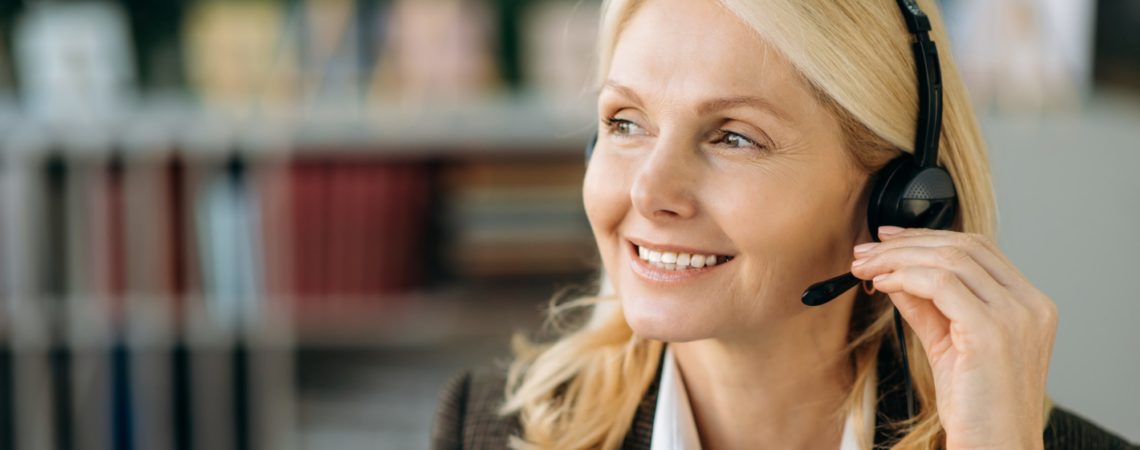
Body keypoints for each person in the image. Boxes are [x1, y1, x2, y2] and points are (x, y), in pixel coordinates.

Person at [431, 0, 1138, 448]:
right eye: (625, 122)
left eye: (734, 136)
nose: (649, 190)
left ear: (898, 195)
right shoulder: (489, 430)